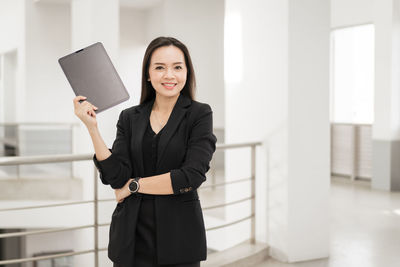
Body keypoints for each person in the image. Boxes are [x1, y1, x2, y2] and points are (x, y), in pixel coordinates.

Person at [73, 36, 217, 267]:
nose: (169, 75)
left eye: (177, 67)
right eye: (160, 67)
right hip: (131, 239)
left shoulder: (199, 114)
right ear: (148, 75)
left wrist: (134, 186)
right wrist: (92, 129)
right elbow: (116, 176)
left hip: (179, 240)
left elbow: (191, 176)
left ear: (186, 73)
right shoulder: (130, 117)